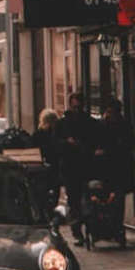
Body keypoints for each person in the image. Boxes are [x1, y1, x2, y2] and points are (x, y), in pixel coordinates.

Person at [88, 99, 135, 240]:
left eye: (111, 112)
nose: (108, 115)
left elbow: (127, 145)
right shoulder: (101, 125)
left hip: (119, 169)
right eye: (107, 112)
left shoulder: (123, 126)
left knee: (117, 200)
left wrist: (106, 151)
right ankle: (104, 228)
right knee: (104, 199)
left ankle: (115, 228)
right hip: (105, 169)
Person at [56, 95, 97, 245]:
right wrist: (67, 143)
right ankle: (78, 231)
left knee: (88, 199)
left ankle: (90, 229)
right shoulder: (63, 124)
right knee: (74, 201)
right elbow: (56, 145)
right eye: (74, 107)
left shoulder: (90, 123)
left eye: (79, 107)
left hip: (86, 167)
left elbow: (95, 141)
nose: (77, 110)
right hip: (70, 168)